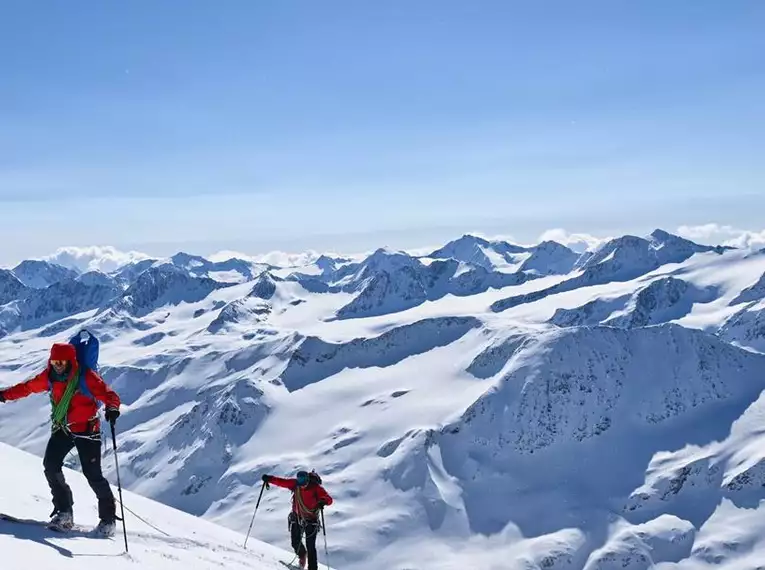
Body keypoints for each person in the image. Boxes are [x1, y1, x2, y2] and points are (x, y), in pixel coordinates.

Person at [0, 342, 121, 535]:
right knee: (51, 465)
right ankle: (65, 512)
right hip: (63, 427)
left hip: (87, 429)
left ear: (70, 361)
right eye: (54, 361)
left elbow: (108, 394)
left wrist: (112, 407)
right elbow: (27, 388)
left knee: (93, 475)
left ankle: (108, 520)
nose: (58, 365)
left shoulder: (85, 377)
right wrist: (4, 395)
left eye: (61, 361)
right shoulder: (49, 377)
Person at [262, 470, 333, 570]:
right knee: (295, 542)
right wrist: (269, 479)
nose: (302, 484)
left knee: (310, 546)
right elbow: (282, 482)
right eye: (300, 482)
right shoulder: (296, 484)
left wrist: (323, 501)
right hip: (297, 517)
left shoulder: (316, 488)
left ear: (308, 480)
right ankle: (302, 555)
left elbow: (329, 499)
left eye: (303, 482)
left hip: (311, 521)